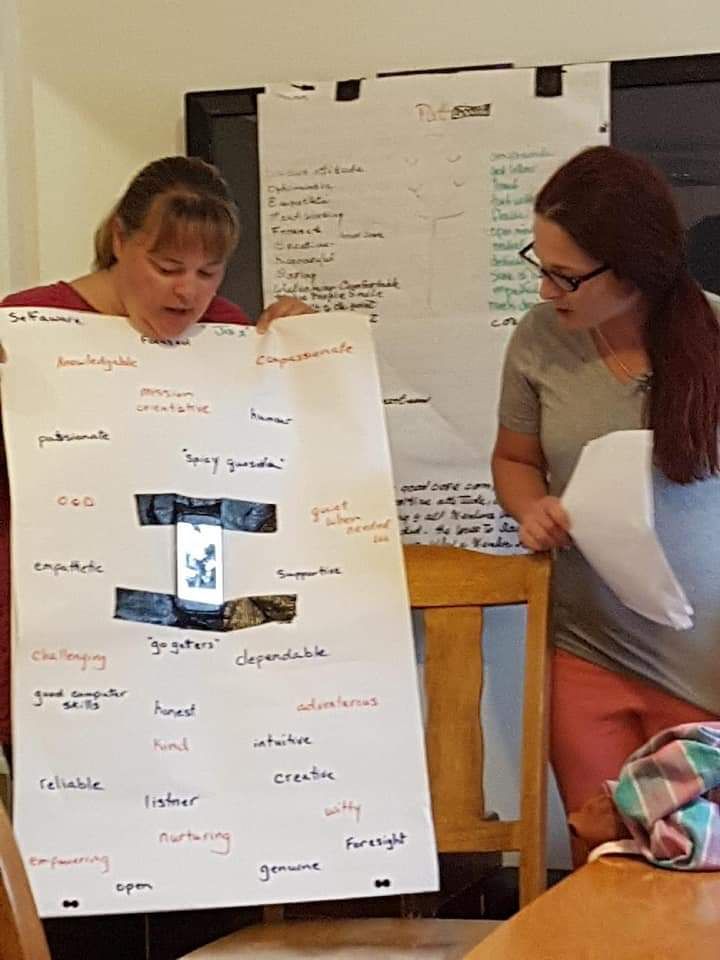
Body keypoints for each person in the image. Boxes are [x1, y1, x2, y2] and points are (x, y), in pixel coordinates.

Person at [0, 155, 312, 753]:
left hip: (181, 616)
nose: (187, 291)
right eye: (167, 266)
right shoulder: (31, 323)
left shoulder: (226, 329)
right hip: (52, 620)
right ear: (120, 239)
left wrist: (304, 359)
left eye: (208, 272)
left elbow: (254, 477)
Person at [491, 145, 720, 865]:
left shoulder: (713, 335)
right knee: (607, 866)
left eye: (566, 275)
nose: (548, 290)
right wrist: (529, 508)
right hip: (585, 653)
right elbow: (514, 461)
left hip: (706, 662)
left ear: (633, 268)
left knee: (697, 876)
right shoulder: (537, 341)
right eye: (541, 265)